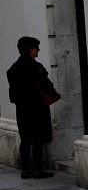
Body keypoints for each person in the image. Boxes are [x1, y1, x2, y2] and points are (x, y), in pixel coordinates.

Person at [6, 36, 57, 179]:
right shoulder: (36, 68)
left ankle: (25, 170)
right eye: (36, 48)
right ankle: (38, 170)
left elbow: (13, 93)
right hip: (37, 108)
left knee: (25, 139)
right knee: (38, 139)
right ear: (29, 49)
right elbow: (48, 85)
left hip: (22, 109)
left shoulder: (13, 69)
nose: (38, 51)